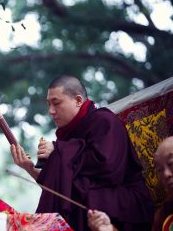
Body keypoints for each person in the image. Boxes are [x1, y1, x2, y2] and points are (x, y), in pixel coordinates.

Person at [10, 75, 154, 230]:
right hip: (98, 200)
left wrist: (60, 149)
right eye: (49, 104)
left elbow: (109, 169)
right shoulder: (68, 137)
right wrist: (29, 167)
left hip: (126, 201)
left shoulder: (104, 121)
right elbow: (59, 189)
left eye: (56, 103)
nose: (51, 111)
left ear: (78, 101)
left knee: (82, 196)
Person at [87, 136, 173, 231]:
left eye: (171, 164)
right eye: (160, 170)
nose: (166, 174)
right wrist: (109, 229)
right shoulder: (163, 216)